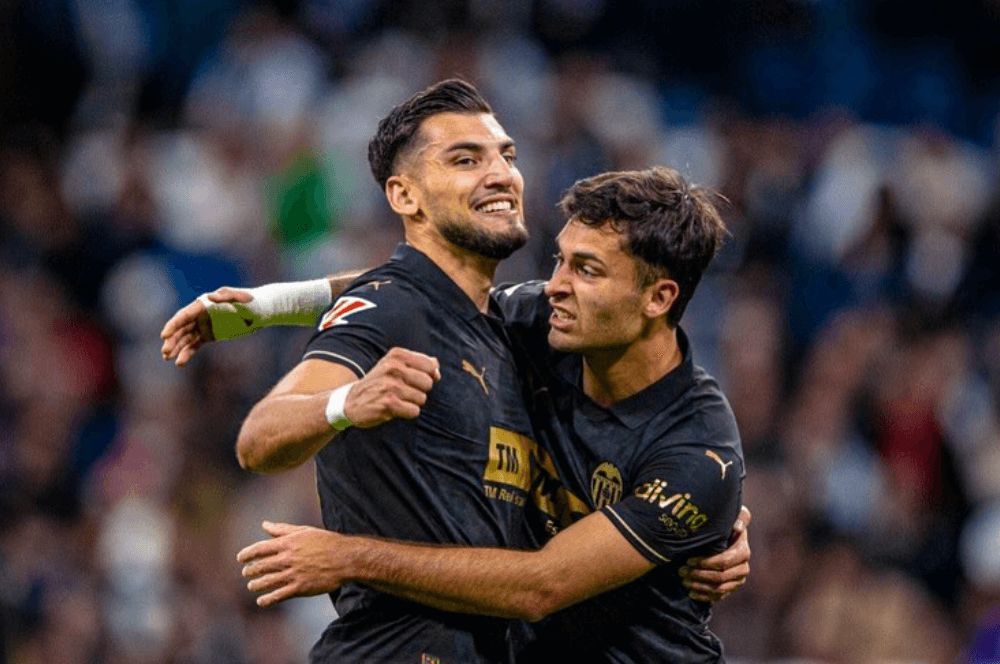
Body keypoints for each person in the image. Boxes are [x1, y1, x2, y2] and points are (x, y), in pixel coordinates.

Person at [164, 160, 749, 661]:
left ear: (659, 297)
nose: (555, 286)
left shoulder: (698, 452)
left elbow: (541, 586)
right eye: (561, 260)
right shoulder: (542, 325)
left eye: (587, 270)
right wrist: (269, 305)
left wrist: (348, 556)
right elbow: (422, 293)